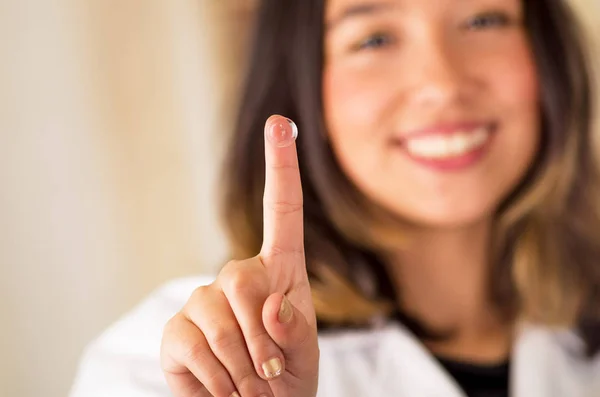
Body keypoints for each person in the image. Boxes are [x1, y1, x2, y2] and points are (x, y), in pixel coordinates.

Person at [70, 0, 600, 396]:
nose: (442, 82)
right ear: (301, 92)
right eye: (372, 39)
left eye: (483, 20)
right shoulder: (173, 363)